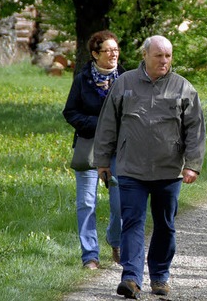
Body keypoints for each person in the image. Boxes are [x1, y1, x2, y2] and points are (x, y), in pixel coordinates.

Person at [94, 35, 206, 299]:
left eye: (168, 56)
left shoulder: (183, 88)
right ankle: (131, 278)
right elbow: (108, 124)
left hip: (169, 171)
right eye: (159, 55)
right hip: (131, 169)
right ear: (144, 55)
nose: (164, 61)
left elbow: (195, 130)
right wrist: (102, 161)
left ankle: (159, 276)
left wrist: (193, 165)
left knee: (165, 224)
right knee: (132, 222)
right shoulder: (124, 84)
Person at [63, 30, 125, 270]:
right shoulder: (82, 79)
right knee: (86, 203)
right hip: (89, 146)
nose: (113, 54)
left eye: (116, 49)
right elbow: (70, 112)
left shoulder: (127, 79)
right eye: (108, 50)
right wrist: (98, 125)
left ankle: (116, 241)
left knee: (120, 202)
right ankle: (90, 256)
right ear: (95, 54)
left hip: (120, 149)